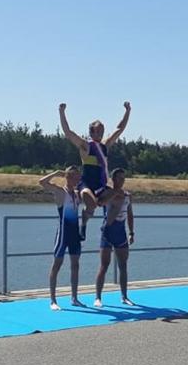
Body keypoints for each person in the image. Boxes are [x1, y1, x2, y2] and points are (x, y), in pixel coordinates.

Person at [58, 102, 131, 240]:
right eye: (98, 131)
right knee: (91, 205)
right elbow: (68, 132)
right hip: (86, 184)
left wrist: (127, 111)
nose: (101, 133)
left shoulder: (105, 146)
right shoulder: (86, 146)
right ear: (91, 132)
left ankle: (106, 224)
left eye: (102, 131)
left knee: (120, 197)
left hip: (100, 185)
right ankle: (84, 223)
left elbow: (119, 129)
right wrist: (62, 112)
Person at [39, 167, 84, 311]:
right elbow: (42, 182)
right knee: (57, 265)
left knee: (75, 265)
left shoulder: (77, 194)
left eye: (78, 177)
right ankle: (53, 300)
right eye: (74, 177)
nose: (77, 180)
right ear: (68, 177)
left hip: (74, 235)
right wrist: (56, 173)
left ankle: (74, 298)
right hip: (63, 234)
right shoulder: (60, 192)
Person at [94, 168, 135, 307]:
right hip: (108, 231)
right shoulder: (107, 192)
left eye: (124, 178)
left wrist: (131, 232)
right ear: (113, 179)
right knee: (104, 265)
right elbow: (100, 203)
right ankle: (98, 297)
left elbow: (130, 214)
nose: (122, 180)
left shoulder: (128, 195)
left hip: (121, 232)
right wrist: (113, 194)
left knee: (123, 265)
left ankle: (124, 296)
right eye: (119, 178)